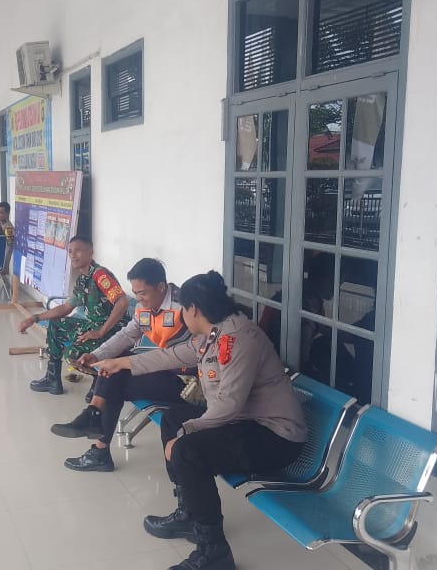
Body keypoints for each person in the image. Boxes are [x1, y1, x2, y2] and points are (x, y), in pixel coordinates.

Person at [92, 271, 306, 570]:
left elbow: (228, 405)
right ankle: (189, 514)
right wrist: (120, 362)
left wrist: (187, 432)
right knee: (172, 418)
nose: (181, 313)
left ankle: (213, 551)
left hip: (275, 436)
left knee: (186, 450)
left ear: (192, 308)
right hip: (246, 421)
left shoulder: (239, 338)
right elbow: (169, 356)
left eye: (182, 308)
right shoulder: (213, 334)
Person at [55, 258, 193, 473]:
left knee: (114, 379)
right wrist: (96, 355)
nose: (138, 299)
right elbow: (127, 335)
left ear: (161, 287)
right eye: (135, 293)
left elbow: (194, 352)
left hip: (189, 385)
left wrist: (118, 362)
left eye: (143, 293)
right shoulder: (144, 308)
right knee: (114, 373)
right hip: (164, 372)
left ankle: (96, 432)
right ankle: (95, 426)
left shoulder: (184, 306)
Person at [16, 237, 129, 395]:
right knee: (56, 323)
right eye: (70, 251)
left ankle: (101, 384)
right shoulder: (83, 279)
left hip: (114, 330)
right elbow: (66, 308)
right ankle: (52, 378)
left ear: (90, 252)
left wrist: (101, 331)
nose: (73, 255)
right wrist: (34, 318)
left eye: (78, 250)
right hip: (94, 326)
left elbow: (122, 302)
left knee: (72, 354)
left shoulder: (100, 275)